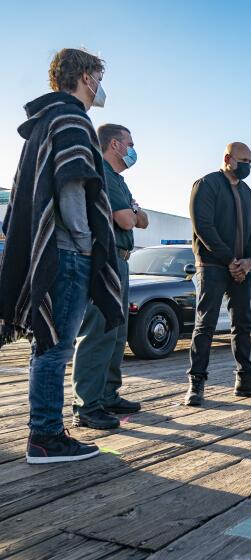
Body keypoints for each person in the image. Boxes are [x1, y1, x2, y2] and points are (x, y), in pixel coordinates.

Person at [0, 48, 123, 463]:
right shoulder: (72, 117)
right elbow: (72, 188)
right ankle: (46, 436)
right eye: (99, 76)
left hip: (52, 249)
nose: (101, 85)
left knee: (46, 344)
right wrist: (87, 245)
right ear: (86, 77)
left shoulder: (45, 120)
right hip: (68, 251)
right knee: (55, 347)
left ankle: (44, 432)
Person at [70, 124, 148, 429]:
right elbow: (128, 219)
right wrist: (133, 212)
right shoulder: (101, 172)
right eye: (130, 143)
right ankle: (86, 405)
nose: (133, 149)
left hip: (122, 260)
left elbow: (142, 219)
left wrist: (134, 213)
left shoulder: (119, 180)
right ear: (115, 145)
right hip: (105, 259)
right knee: (98, 330)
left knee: (117, 330)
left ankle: (107, 394)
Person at [183, 142, 251, 406]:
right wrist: (230, 260)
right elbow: (204, 227)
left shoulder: (250, 195)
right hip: (212, 266)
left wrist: (249, 260)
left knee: (242, 323)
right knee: (205, 324)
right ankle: (196, 383)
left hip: (242, 269)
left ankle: (245, 379)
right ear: (228, 159)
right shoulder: (206, 185)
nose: (248, 166)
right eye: (244, 160)